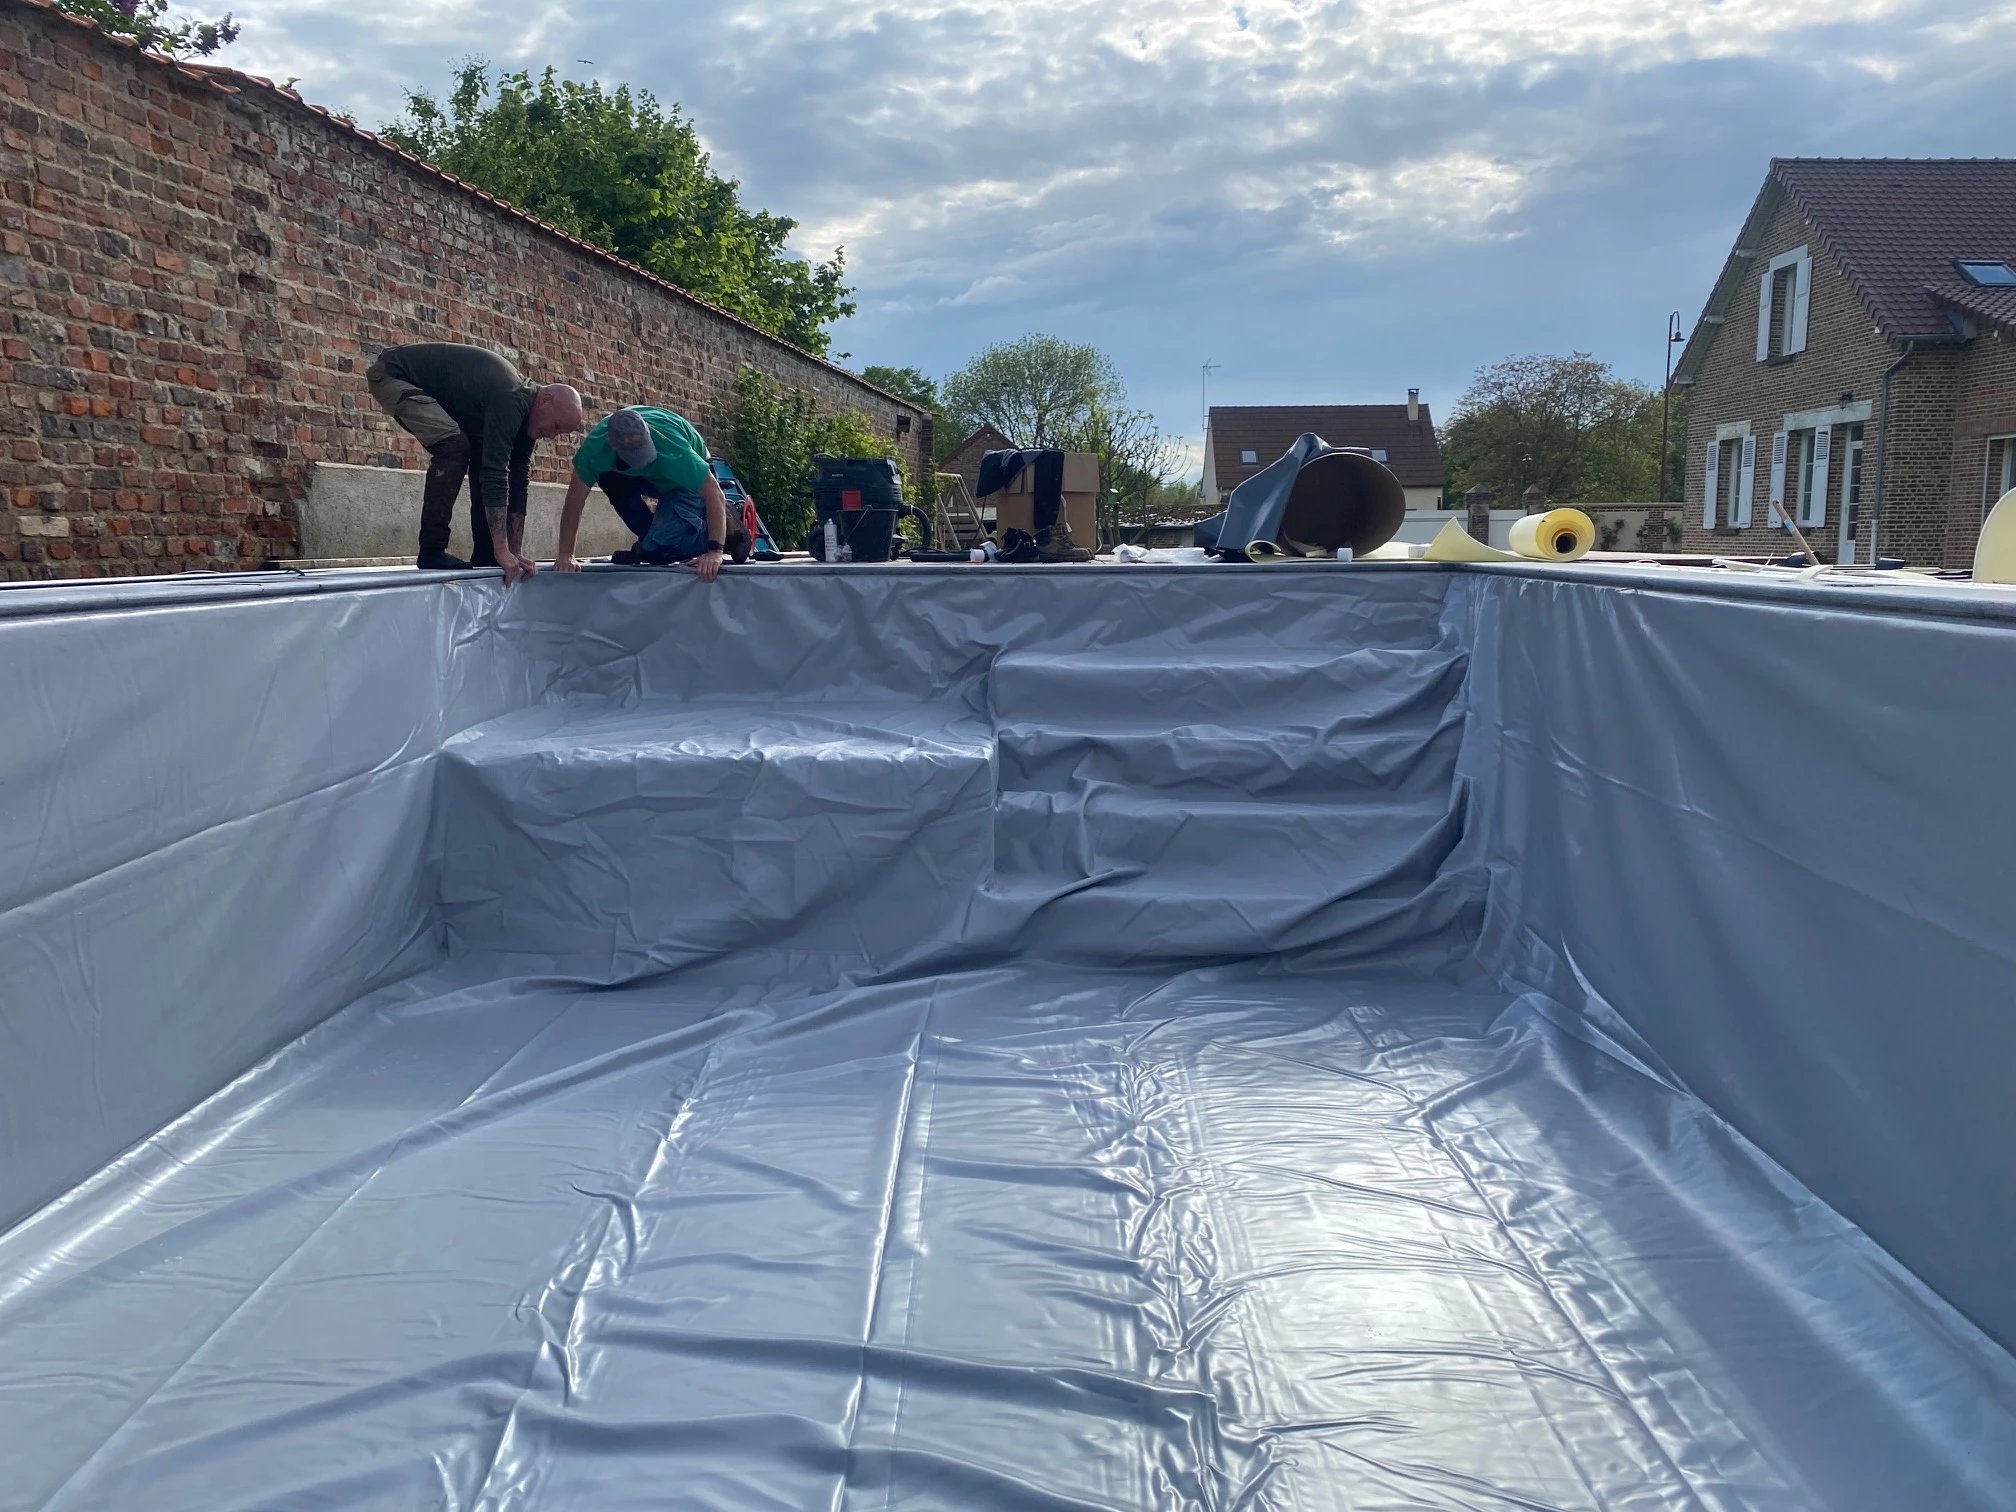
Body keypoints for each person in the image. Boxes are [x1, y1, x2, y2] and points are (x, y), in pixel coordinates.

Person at [365, 342, 584, 582]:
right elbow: (496, 473)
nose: (551, 435)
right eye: (554, 426)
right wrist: (503, 550)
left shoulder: (526, 418)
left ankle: (485, 554)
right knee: (454, 447)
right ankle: (431, 550)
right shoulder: (511, 398)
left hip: (427, 387)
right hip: (394, 375)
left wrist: (514, 551)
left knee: (482, 458)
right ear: (546, 400)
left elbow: (518, 478)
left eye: (559, 433)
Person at [553, 406, 748, 580]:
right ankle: (649, 542)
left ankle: (728, 530)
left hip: (679, 482)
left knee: (661, 550)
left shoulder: (672, 446)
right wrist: (565, 554)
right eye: (635, 454)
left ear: (647, 431)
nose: (643, 458)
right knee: (610, 480)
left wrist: (715, 550)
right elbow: (574, 503)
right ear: (613, 447)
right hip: (641, 478)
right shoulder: (593, 452)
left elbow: (714, 493)